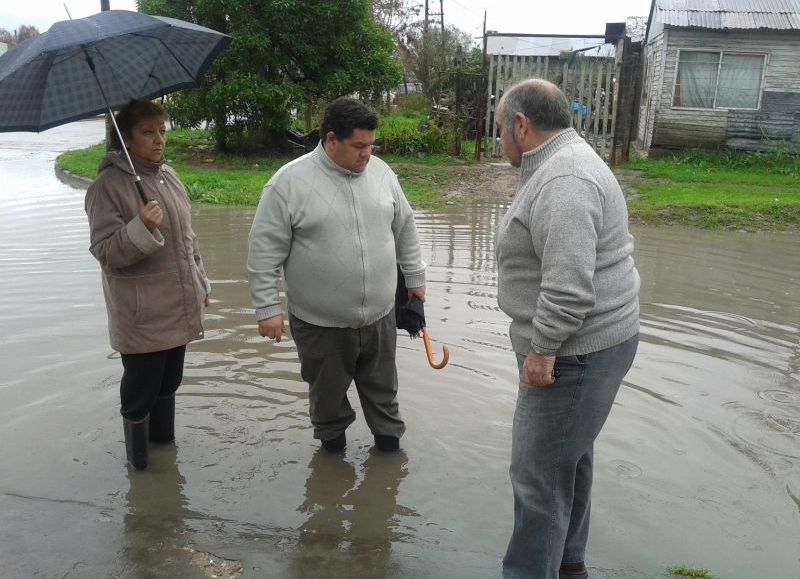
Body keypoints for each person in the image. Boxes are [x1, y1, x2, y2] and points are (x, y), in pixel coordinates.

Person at [494, 79, 640, 579]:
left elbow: (569, 289)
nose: (499, 142)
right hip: (591, 344)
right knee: (568, 459)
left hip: (572, 351)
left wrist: (541, 351)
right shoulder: (561, 162)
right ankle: (569, 563)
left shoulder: (564, 181)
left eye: (499, 130)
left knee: (537, 477)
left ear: (521, 125)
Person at [247, 97, 425, 454]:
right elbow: (263, 252)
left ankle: (388, 459)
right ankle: (332, 469)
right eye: (359, 146)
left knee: (384, 397)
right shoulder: (287, 184)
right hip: (319, 324)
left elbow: (404, 226)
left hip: (379, 316)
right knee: (327, 404)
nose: (367, 154)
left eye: (372, 145)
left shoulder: (382, 173)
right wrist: (267, 309)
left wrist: (416, 278)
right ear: (331, 140)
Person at [85, 100, 210, 470]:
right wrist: (141, 228)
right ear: (125, 138)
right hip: (142, 315)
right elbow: (105, 251)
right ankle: (140, 473)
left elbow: (188, 240)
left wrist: (201, 284)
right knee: (140, 394)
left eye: (162, 131)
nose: (159, 140)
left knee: (169, 384)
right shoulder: (106, 187)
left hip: (178, 304)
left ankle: (164, 459)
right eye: (147, 132)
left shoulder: (167, 177)